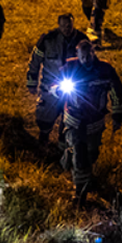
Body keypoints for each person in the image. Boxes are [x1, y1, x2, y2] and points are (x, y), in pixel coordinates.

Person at [58, 40, 122, 204]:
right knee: (80, 158)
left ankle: (70, 158)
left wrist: (117, 115)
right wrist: (58, 89)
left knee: (91, 154)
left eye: (88, 56)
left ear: (93, 53)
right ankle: (79, 193)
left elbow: (118, 92)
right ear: (77, 55)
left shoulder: (105, 70)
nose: (85, 60)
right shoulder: (69, 68)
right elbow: (54, 85)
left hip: (95, 122)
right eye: (82, 56)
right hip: (75, 121)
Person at [26, 13, 90, 147]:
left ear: (73, 24)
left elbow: (90, 64)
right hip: (50, 86)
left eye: (69, 25)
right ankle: (43, 138)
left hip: (75, 87)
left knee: (71, 117)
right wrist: (32, 82)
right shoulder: (48, 39)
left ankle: (63, 144)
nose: (66, 28)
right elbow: (35, 61)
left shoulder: (82, 40)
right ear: (58, 25)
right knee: (45, 115)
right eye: (63, 26)